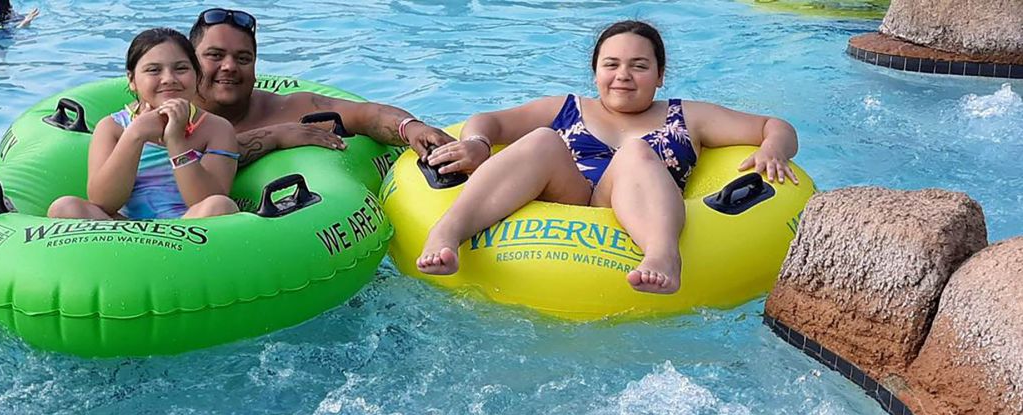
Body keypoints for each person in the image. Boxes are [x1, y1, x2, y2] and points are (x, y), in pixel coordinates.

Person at [415, 20, 800, 295]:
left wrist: (772, 148)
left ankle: (663, 255)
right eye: (611, 65)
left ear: (660, 74)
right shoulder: (567, 107)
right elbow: (490, 121)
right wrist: (479, 143)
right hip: (568, 196)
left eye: (640, 66)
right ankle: (448, 232)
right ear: (595, 71)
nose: (623, 76)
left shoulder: (687, 116)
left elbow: (774, 125)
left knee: (635, 150)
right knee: (542, 140)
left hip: (638, 206)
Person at [187, 8, 456, 167]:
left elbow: (367, 114)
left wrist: (412, 128)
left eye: (243, 58)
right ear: (189, 62)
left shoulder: (287, 109)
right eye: (215, 55)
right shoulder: (163, 115)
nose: (230, 66)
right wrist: (275, 136)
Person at [47, 28, 240, 220]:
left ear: (197, 76)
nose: (169, 79)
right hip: (127, 233)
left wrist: (176, 141)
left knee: (220, 205)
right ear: (132, 80)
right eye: (153, 70)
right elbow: (104, 202)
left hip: (187, 231)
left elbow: (206, 201)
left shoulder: (216, 129)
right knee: (65, 207)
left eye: (181, 69)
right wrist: (135, 134)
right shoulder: (112, 127)